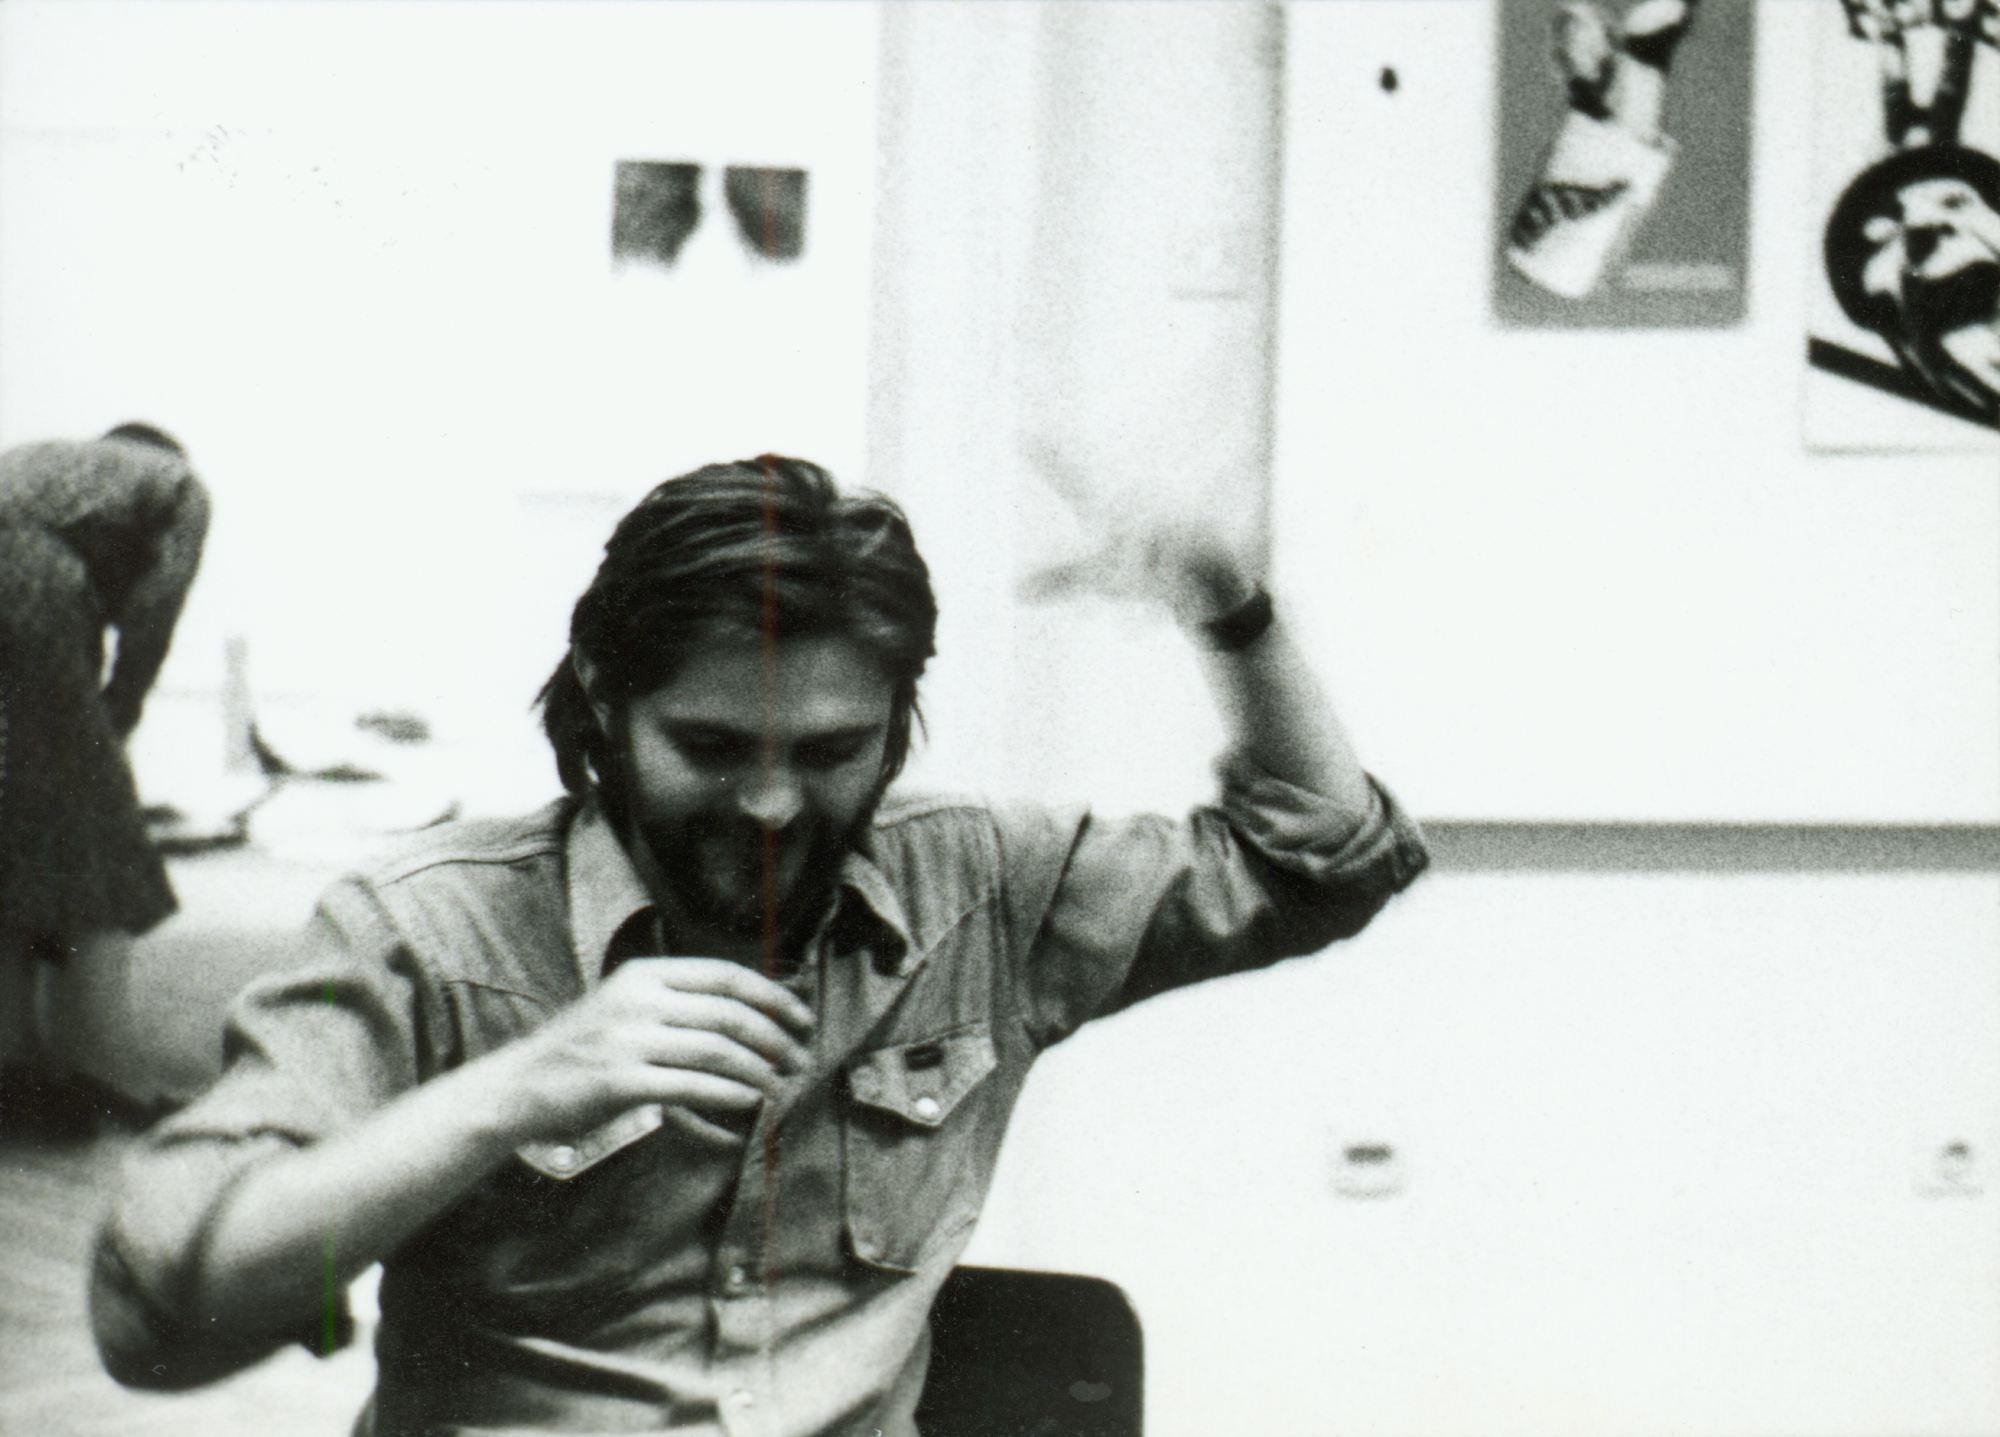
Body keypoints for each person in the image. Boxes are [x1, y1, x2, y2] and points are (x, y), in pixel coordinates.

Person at [91, 456, 1428, 1437]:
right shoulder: (426, 928)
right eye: (713, 747)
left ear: (896, 721)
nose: (776, 804)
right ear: (606, 701)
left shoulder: (979, 882)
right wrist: (518, 1088)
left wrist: (1225, 602)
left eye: (834, 750)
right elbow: (159, 1313)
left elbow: (1324, 863)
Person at [0, 424, 210, 1133]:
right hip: (24, 580)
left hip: (24, 587)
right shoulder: (180, 485)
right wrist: (119, 713)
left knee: (17, 825)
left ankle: (18, 1066)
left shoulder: (60, 479)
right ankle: (105, 1073)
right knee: (97, 837)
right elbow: (155, 609)